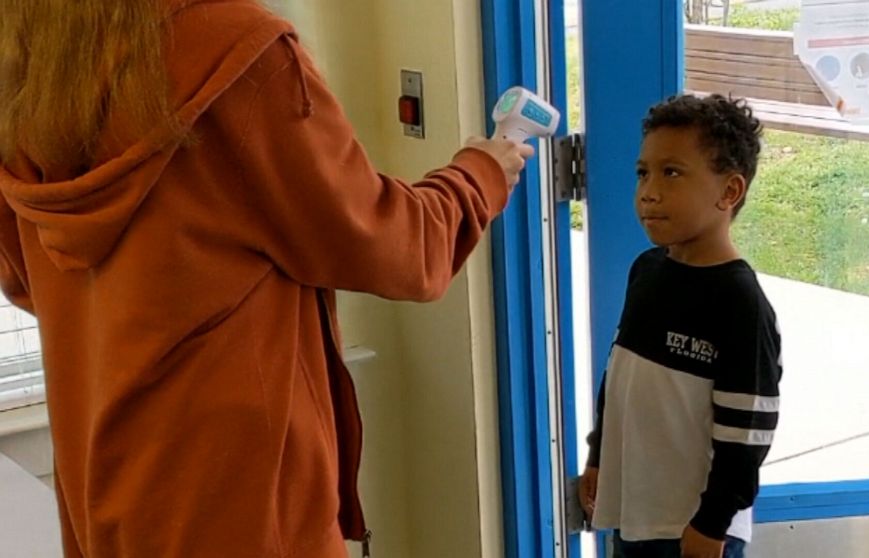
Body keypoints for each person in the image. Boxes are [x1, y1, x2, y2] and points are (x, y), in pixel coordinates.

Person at [0, 1, 533, 556]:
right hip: (241, 496)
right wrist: (480, 174)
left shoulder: (29, 61)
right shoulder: (238, 53)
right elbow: (394, 246)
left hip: (105, 480)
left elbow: (23, 278)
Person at [578, 94, 783, 558]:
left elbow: (747, 434)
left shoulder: (739, 302)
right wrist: (599, 455)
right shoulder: (646, 271)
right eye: (643, 172)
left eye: (671, 172)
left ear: (729, 192)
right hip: (632, 512)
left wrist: (711, 527)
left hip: (693, 530)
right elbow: (619, 379)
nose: (649, 190)